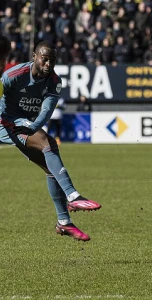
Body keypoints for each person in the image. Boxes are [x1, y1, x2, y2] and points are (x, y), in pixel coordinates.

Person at [0, 41, 101, 242]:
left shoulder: (54, 81)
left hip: (25, 124)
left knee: (50, 168)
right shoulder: (13, 76)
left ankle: (64, 222)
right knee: (48, 143)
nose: (48, 64)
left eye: (52, 60)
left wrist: (33, 126)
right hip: (6, 122)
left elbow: (46, 111)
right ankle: (72, 195)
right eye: (44, 59)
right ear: (34, 57)